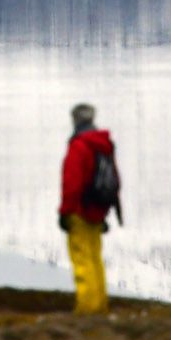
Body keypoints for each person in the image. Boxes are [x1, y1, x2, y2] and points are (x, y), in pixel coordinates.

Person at [58, 103, 119, 316]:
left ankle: (87, 309)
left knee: (82, 260)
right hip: (98, 210)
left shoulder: (79, 146)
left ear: (75, 120)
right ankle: (100, 305)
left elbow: (72, 183)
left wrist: (65, 212)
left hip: (80, 212)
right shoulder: (104, 144)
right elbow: (115, 179)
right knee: (95, 259)